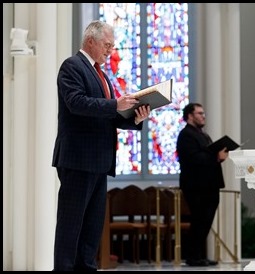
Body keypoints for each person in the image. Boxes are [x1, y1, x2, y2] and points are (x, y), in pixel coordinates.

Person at [51, 20, 151, 271]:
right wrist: (115, 104)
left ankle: (86, 268)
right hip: (77, 158)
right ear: (90, 41)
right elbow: (76, 103)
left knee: (92, 226)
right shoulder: (72, 66)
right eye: (107, 45)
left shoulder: (102, 74)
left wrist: (135, 118)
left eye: (112, 46)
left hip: (99, 160)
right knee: (71, 224)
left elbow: (108, 114)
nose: (110, 51)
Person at [176, 103, 228, 267]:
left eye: (203, 113)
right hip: (196, 185)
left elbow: (207, 154)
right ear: (190, 116)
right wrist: (216, 157)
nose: (203, 116)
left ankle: (199, 255)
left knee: (205, 221)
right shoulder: (186, 135)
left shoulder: (202, 135)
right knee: (199, 220)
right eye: (199, 113)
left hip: (209, 184)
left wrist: (219, 155)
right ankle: (193, 256)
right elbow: (194, 159)